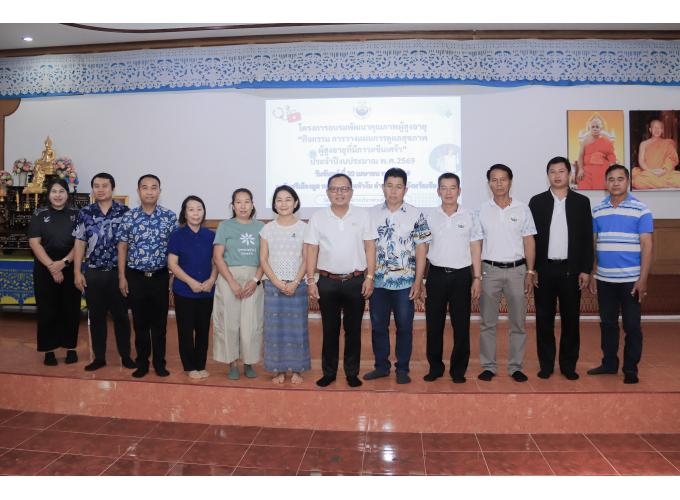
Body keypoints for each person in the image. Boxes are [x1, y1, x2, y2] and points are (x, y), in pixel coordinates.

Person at [304, 173, 376, 388]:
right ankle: (329, 373)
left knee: (353, 330)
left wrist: (370, 276)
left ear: (351, 192)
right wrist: (310, 280)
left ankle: (352, 373)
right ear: (327, 193)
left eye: (344, 189)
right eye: (334, 189)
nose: (339, 193)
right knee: (330, 330)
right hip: (327, 282)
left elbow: (370, 247)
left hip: (356, 281)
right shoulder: (318, 217)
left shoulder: (363, 215)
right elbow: (311, 249)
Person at [364, 168, 431, 385]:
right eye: (389, 186)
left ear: (406, 189)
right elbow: (367, 247)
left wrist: (418, 280)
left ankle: (402, 368)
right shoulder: (370, 214)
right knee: (378, 326)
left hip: (405, 283)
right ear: (382, 187)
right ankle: (381, 367)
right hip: (378, 282)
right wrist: (369, 277)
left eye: (398, 187)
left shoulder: (415, 214)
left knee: (404, 326)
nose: (393, 191)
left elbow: (421, 248)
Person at [529, 157, 594, 381]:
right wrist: (532, 269)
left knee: (571, 321)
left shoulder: (581, 202)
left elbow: (587, 238)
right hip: (544, 270)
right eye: (552, 172)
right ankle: (546, 365)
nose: (557, 176)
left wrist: (586, 269)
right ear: (547, 175)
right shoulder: (537, 202)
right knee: (543, 321)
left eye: (561, 171)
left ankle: (568, 365)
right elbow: (530, 239)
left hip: (571, 271)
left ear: (569, 174)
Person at [588, 164, 653, 384]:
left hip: (631, 281)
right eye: (611, 179)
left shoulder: (641, 209)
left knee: (632, 326)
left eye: (620, 179)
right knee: (607, 324)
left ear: (628, 181)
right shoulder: (598, 210)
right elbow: (594, 243)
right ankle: (609, 363)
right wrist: (594, 272)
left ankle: (630, 369)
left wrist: (643, 279)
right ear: (605, 183)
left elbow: (647, 246)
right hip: (605, 280)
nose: (615, 183)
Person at [477, 164, 537, 382]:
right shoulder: (481, 210)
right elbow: (477, 243)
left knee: (518, 323)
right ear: (489, 184)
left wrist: (530, 271)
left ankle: (515, 367)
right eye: (494, 180)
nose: (499, 184)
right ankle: (488, 366)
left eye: (503, 179)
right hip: (489, 270)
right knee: (487, 322)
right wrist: (477, 275)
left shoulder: (522, 209)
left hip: (517, 271)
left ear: (510, 182)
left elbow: (529, 241)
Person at [423, 172, 482, 383]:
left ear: (459, 191)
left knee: (461, 325)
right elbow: (422, 249)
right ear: (438, 191)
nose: (448, 192)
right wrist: (420, 279)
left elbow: (475, 248)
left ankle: (458, 370)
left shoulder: (470, 216)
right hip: (436, 275)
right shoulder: (429, 216)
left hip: (462, 276)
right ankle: (435, 367)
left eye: (452, 188)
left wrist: (477, 278)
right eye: (444, 188)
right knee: (434, 325)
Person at [117, 174, 177, 378]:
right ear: (138, 191)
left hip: (160, 276)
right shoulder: (129, 217)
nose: (149, 191)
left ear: (159, 191)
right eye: (145, 187)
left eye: (154, 187)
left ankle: (160, 363)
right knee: (140, 323)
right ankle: (142, 363)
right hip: (135, 277)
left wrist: (172, 276)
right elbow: (122, 247)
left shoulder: (169, 217)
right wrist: (121, 276)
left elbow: (174, 250)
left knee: (160, 324)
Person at [73, 173, 134, 372]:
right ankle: (99, 357)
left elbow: (129, 243)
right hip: (94, 273)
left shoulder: (124, 212)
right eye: (96, 186)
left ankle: (126, 356)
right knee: (96, 317)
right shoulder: (85, 212)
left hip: (118, 273)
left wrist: (125, 275)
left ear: (112, 188)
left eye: (104, 185)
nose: (100, 189)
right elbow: (80, 242)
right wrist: (77, 272)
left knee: (121, 317)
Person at [27, 178, 81, 366]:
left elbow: (80, 243)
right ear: (48, 194)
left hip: (70, 267)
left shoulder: (77, 214)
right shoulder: (39, 214)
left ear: (67, 194)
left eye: (61, 191)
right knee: (47, 310)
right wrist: (52, 266)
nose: (58, 195)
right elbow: (34, 243)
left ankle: (71, 348)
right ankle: (48, 351)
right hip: (44, 268)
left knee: (71, 309)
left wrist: (64, 263)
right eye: (54, 191)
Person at [212, 188, 265, 380]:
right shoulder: (224, 226)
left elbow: (265, 259)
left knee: (251, 324)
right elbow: (218, 257)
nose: (243, 206)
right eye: (239, 202)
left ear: (252, 204)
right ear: (232, 205)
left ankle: (249, 362)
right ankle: (232, 363)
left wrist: (255, 280)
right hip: (229, 277)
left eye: (247, 201)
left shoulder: (261, 227)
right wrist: (232, 282)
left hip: (253, 278)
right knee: (229, 323)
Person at [260, 185, 310, 384]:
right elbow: (263, 259)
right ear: (274, 204)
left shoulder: (304, 228)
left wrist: (295, 281)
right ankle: (278, 369)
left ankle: (297, 369)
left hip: (297, 285)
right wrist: (276, 281)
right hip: (273, 286)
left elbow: (306, 258)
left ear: (295, 202)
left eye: (288, 199)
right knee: (275, 330)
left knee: (297, 329)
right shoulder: (267, 229)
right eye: (279, 200)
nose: (283, 204)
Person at [167, 196, 217, 380]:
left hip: (206, 291)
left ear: (204, 212)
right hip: (184, 291)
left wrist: (211, 280)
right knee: (186, 331)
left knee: (203, 331)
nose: (196, 213)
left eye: (199, 209)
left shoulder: (211, 235)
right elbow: (172, 264)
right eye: (191, 209)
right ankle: (189, 366)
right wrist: (191, 282)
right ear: (184, 213)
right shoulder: (177, 235)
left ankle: (200, 364)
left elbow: (216, 262)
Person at [632, 119, 680, 190]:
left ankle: (657, 183)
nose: (657, 130)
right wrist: (651, 171)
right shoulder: (644, 144)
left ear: (662, 130)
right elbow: (641, 161)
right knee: (638, 181)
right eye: (655, 127)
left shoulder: (668, 143)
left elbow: (672, 159)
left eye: (659, 128)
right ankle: (663, 183)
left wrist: (664, 170)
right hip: (649, 173)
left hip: (664, 173)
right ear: (650, 130)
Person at [574, 116, 617, 190]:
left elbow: (611, 155)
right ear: (590, 128)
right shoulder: (585, 141)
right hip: (587, 170)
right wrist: (581, 169)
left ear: (601, 128)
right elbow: (580, 156)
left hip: (602, 168)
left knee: (604, 182)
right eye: (593, 127)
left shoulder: (606, 141)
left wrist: (611, 166)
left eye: (597, 127)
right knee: (583, 183)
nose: (595, 129)